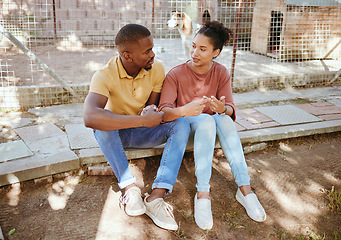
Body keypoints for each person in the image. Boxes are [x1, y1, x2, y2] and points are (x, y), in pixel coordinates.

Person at [158, 21, 266, 230]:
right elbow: (164, 112)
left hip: (211, 128)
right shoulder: (176, 74)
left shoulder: (221, 72)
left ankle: (245, 190)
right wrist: (186, 109)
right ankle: (203, 193)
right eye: (194, 46)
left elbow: (231, 110)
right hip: (185, 128)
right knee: (207, 120)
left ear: (215, 52)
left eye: (203, 49)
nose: (195, 52)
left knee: (222, 119)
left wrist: (221, 108)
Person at [83, 24, 191, 231]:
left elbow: (151, 107)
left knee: (181, 123)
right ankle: (130, 188)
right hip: (118, 134)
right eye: (147, 51)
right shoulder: (104, 75)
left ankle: (156, 197)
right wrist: (141, 121)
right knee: (101, 123)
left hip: (143, 132)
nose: (153, 54)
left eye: (152, 48)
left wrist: (150, 115)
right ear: (127, 55)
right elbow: (89, 117)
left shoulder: (156, 69)